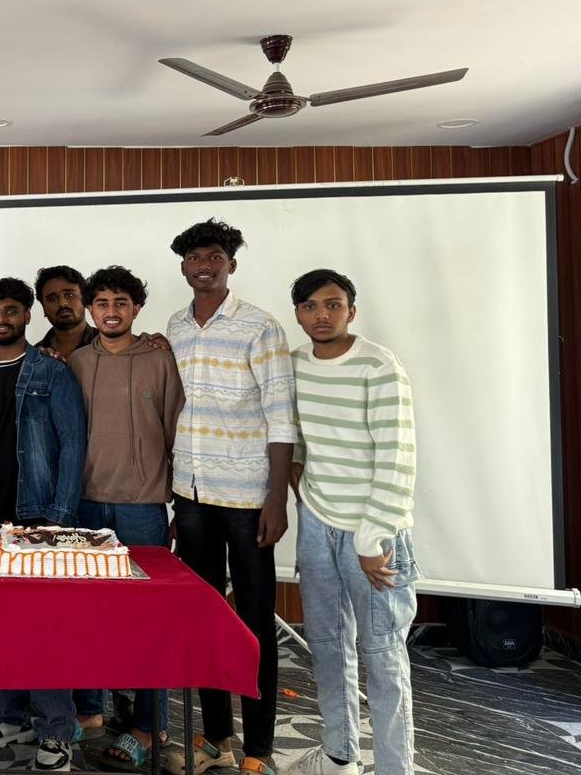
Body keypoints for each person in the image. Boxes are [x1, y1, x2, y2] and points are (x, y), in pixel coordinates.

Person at [164, 218, 297, 775]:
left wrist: (276, 499)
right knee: (204, 617)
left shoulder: (260, 326)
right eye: (195, 257)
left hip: (247, 498)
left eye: (214, 256)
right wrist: (175, 499)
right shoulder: (174, 326)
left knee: (254, 622)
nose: (204, 265)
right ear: (183, 267)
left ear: (231, 265)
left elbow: (281, 416)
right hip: (191, 494)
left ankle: (258, 750)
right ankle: (217, 737)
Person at [0, 278, 87, 773]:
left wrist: (58, 518)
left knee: (45, 629)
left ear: (27, 315)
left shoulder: (53, 373)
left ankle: (56, 730)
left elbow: (73, 446)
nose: (1, 318)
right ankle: (7, 718)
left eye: (11, 310)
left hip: (37, 520)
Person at [283, 270, 418, 775]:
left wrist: (371, 538)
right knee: (327, 645)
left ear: (351, 311)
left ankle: (395, 768)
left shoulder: (379, 365)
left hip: (373, 534)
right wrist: (300, 479)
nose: (322, 315)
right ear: (298, 315)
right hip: (317, 525)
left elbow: (397, 458)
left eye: (333, 305)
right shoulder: (296, 364)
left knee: (382, 652)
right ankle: (340, 756)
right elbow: (296, 432)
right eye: (310, 307)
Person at [68, 265, 184, 769]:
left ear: (137, 308)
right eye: (102, 303)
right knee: (88, 616)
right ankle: (90, 710)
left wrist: (179, 505)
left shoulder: (160, 359)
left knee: (147, 621)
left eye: (121, 303)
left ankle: (148, 724)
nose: (111, 312)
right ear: (90, 309)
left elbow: (178, 433)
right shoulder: (76, 362)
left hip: (143, 509)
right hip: (85, 508)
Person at [34, 265, 97, 359]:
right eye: (52, 299)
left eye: (70, 295)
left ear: (85, 300)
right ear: (43, 308)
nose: (62, 304)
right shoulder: (34, 357)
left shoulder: (109, 345)